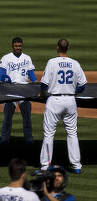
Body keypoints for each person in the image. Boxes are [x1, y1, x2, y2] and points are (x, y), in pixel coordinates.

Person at [38, 39, 86, 174]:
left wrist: (42, 94)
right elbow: (82, 85)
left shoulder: (52, 62)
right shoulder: (75, 63)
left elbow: (44, 84)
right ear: (68, 48)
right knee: (72, 133)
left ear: (57, 48)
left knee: (48, 134)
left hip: (54, 100)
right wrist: (74, 94)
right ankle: (76, 166)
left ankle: (45, 166)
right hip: (70, 101)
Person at [0, 37, 36, 144]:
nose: (18, 48)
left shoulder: (27, 58)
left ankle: (29, 138)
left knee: (27, 115)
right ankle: (5, 138)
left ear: (22, 46)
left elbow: (31, 73)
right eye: (16, 46)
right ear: (12, 46)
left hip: (25, 89)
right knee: (8, 116)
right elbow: (1, 74)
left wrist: (34, 81)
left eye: (19, 46)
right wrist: (3, 79)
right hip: (10, 89)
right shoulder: (6, 58)